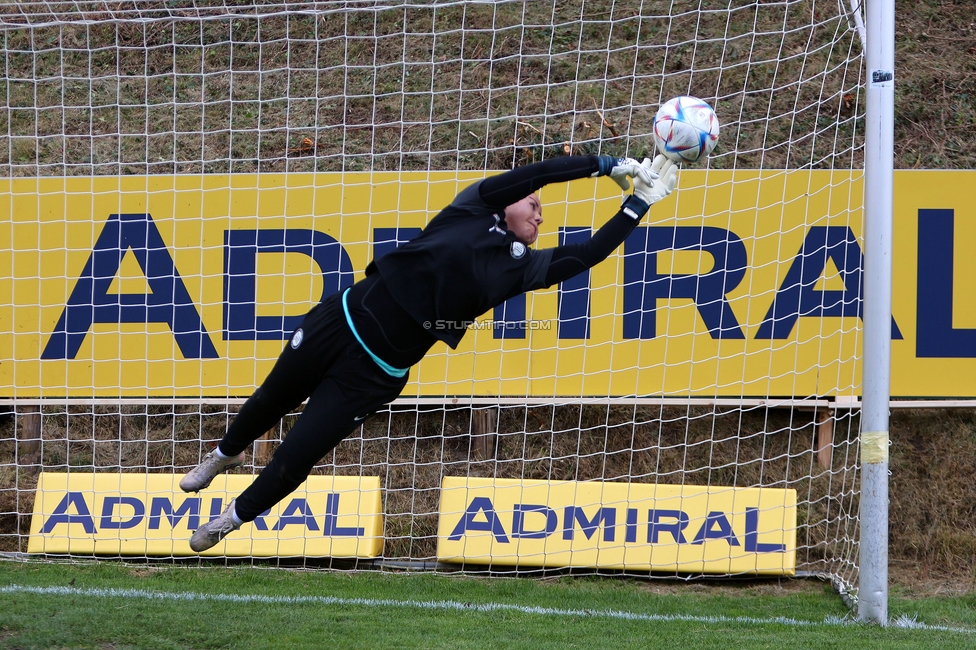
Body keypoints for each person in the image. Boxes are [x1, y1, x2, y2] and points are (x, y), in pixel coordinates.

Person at [180, 153, 680, 552]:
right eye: (531, 204)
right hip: (342, 320)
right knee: (271, 400)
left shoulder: (521, 268)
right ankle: (221, 458)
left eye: (541, 211)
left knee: (297, 456)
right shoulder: (472, 207)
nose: (538, 212)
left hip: (374, 374)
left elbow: (585, 255)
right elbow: (541, 173)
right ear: (506, 204)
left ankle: (229, 521)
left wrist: (636, 206)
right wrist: (605, 164)